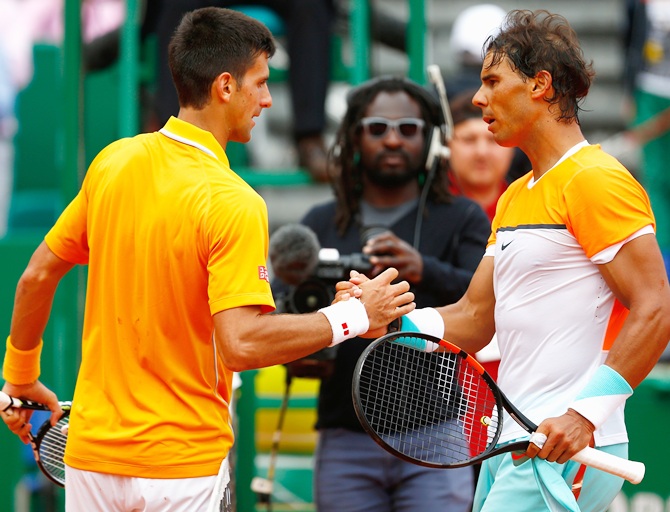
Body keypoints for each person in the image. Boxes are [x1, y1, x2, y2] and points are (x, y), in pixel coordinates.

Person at [0, 8, 416, 511]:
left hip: (93, 462)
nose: (266, 99)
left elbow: (37, 275)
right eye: (260, 84)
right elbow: (241, 345)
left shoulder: (112, 163)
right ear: (225, 86)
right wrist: (354, 316)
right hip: (183, 468)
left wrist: (20, 380)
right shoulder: (233, 200)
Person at [341, 10, 670, 512]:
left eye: (493, 81)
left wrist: (584, 415)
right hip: (515, 441)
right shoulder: (517, 194)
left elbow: (656, 308)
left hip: (569, 444)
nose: (478, 99)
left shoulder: (596, 180)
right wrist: (387, 321)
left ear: (540, 85)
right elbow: (475, 317)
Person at [275, 76, 491, 512]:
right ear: (355, 135)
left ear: (430, 140)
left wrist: (423, 269)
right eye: (377, 128)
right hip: (344, 436)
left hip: (437, 434)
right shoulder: (320, 221)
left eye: (408, 129)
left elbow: (485, 305)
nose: (392, 140)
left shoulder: (463, 218)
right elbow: (284, 314)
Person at [622, 0, 670, 273]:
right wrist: (631, 93)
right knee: (656, 176)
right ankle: (663, 257)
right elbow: (631, 42)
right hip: (650, 93)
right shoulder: (638, 5)